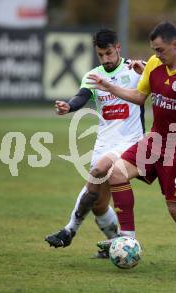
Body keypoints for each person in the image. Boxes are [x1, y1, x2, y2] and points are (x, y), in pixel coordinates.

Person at [88, 21, 176, 270]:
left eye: (160, 50)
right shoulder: (155, 66)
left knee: (175, 208)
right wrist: (111, 87)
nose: (156, 55)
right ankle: (127, 238)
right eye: (154, 50)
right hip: (154, 140)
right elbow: (139, 96)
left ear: (175, 45)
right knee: (116, 172)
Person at [45, 29, 146, 258]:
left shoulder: (135, 70)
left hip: (130, 142)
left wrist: (148, 68)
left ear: (118, 48)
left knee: (99, 170)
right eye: (101, 55)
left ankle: (69, 230)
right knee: (99, 204)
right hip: (104, 144)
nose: (106, 59)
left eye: (109, 53)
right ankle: (114, 244)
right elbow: (81, 96)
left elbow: (158, 79)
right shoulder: (94, 75)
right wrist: (69, 106)